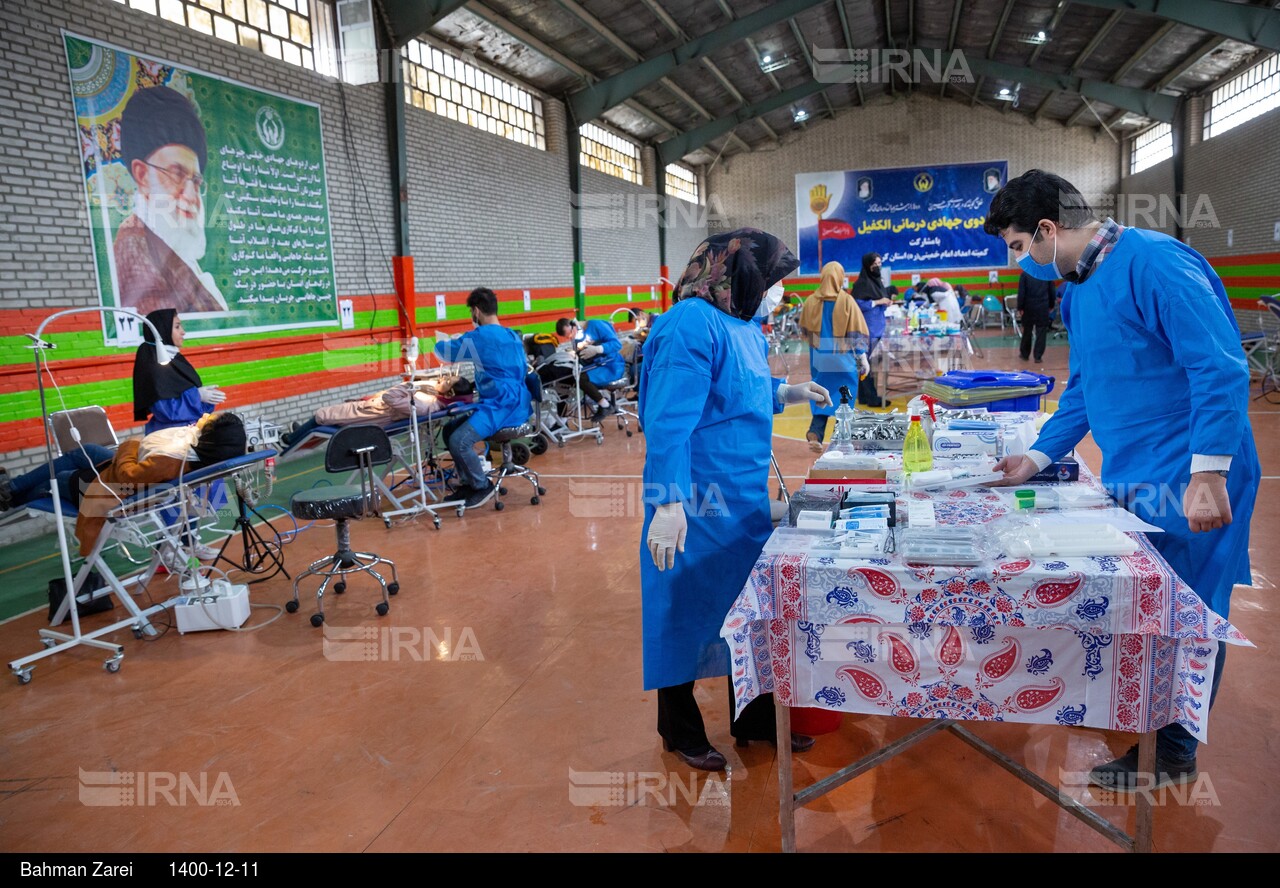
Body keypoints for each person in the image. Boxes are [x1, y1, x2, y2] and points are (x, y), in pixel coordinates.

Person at [984, 168, 1260, 792]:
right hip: (1135, 475)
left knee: (1190, 610)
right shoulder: (1081, 290)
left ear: (1048, 230)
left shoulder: (1156, 264)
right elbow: (1083, 389)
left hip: (1191, 474)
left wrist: (1210, 473)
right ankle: (1151, 715)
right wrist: (1034, 457)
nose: (1016, 261)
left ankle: (1173, 753)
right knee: (1149, 603)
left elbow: (1217, 368)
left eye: (1017, 246)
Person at [640, 228, 831, 771]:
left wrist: (785, 393)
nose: (777, 293)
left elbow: (739, 390)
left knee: (745, 613)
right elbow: (668, 423)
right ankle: (677, 727)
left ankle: (752, 717)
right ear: (738, 275)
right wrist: (667, 502)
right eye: (771, 282)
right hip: (696, 501)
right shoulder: (688, 324)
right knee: (684, 610)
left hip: (741, 499)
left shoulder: (744, 326)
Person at [113, 85, 226, 316]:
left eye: (195, 181)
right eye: (177, 174)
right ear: (142, 175)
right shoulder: (133, 246)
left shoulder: (175, 247)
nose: (191, 196)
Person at [75, 412, 247, 558]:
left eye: (209, 419)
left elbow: (128, 476)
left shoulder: (170, 458)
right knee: (89, 451)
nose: (204, 415)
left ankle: (47, 489)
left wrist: (130, 444)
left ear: (211, 438)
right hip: (126, 474)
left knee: (65, 474)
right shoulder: (196, 454)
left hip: (111, 489)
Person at [433, 288, 531, 507]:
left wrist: (445, 340)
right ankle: (467, 483)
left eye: (471, 312)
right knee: (450, 430)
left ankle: (481, 485)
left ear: (475, 311)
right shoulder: (511, 335)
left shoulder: (479, 337)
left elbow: (444, 353)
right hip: (517, 402)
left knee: (459, 441)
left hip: (502, 406)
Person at [799, 261, 870, 452]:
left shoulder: (811, 301)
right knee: (845, 398)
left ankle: (816, 432)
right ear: (839, 277)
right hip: (842, 358)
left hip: (820, 359)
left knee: (822, 395)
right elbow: (856, 333)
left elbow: (804, 331)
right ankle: (839, 440)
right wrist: (863, 357)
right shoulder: (846, 301)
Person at [280, 381, 463, 448]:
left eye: (446, 381)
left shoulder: (424, 406)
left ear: (449, 394)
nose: (441, 379)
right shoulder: (434, 402)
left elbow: (390, 397)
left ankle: (291, 439)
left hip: (373, 415)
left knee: (322, 415)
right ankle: (302, 432)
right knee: (329, 415)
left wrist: (413, 385)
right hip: (375, 408)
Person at [133, 308, 225, 434]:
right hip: (170, 437)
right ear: (162, 330)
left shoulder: (174, 359)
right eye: (177, 327)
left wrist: (206, 400)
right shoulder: (154, 367)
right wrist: (197, 396)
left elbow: (191, 405)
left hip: (187, 432)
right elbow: (166, 412)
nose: (183, 332)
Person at [0, 444, 116, 512]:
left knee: (61, 479)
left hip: (122, 485)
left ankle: (10, 492)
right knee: (88, 452)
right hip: (124, 477)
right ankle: (9, 491)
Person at [539, 318, 612, 421]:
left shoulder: (595, 326)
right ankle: (562, 420)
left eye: (569, 334)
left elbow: (616, 345)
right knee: (563, 381)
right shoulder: (578, 335)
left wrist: (597, 349)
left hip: (608, 363)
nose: (570, 337)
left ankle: (605, 404)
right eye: (567, 336)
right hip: (587, 362)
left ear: (572, 326)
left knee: (577, 376)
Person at [850, 252, 893, 408]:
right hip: (866, 330)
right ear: (868, 265)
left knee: (867, 364)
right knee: (864, 363)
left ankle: (863, 397)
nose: (878, 267)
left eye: (880, 264)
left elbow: (880, 298)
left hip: (877, 329)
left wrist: (885, 301)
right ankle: (872, 398)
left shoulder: (876, 282)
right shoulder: (861, 284)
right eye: (875, 264)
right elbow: (857, 304)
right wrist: (878, 301)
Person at [1015, 269, 1056, 363]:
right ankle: (1038, 356)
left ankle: (1025, 354)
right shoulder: (1046, 273)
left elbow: (1021, 292)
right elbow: (1051, 291)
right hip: (1042, 306)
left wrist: (1020, 307)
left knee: (1027, 331)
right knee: (1041, 331)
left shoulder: (1025, 274)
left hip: (1028, 306)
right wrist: (1051, 305)